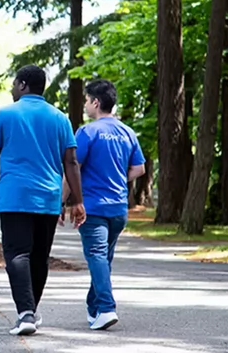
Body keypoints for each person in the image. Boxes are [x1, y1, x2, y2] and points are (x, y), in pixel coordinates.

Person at [0, 65, 85, 336]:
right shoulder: (60, 118)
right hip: (48, 198)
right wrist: (78, 199)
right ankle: (30, 310)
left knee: (17, 254)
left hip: (15, 197)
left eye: (15, 83)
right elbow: (72, 161)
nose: (12, 88)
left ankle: (26, 312)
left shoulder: (4, 114)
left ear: (23, 85)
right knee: (39, 257)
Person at [63, 80, 146, 330]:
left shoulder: (88, 132)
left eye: (87, 100)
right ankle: (95, 309)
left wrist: (62, 200)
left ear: (96, 103)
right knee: (103, 258)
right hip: (119, 209)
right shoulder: (128, 132)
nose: (86, 105)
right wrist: (119, 179)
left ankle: (107, 308)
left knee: (97, 256)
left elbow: (74, 166)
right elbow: (139, 169)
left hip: (94, 208)